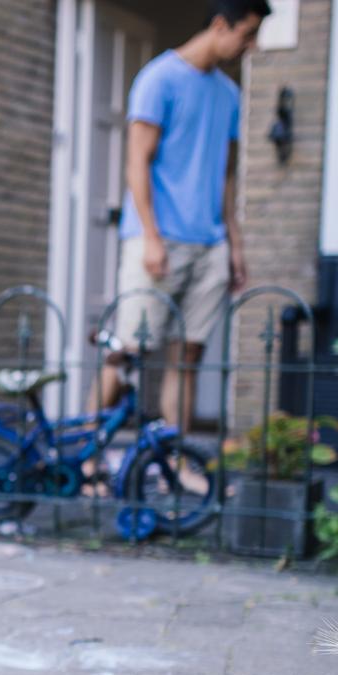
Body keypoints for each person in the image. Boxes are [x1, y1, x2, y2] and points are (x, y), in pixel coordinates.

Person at [101, 0, 269, 433]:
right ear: (220, 25)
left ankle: (175, 462)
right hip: (158, 240)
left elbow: (226, 177)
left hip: (209, 243)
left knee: (187, 357)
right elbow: (136, 162)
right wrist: (152, 238)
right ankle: (90, 465)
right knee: (126, 353)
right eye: (247, 34)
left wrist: (236, 245)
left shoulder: (229, 94)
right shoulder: (159, 78)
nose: (252, 45)